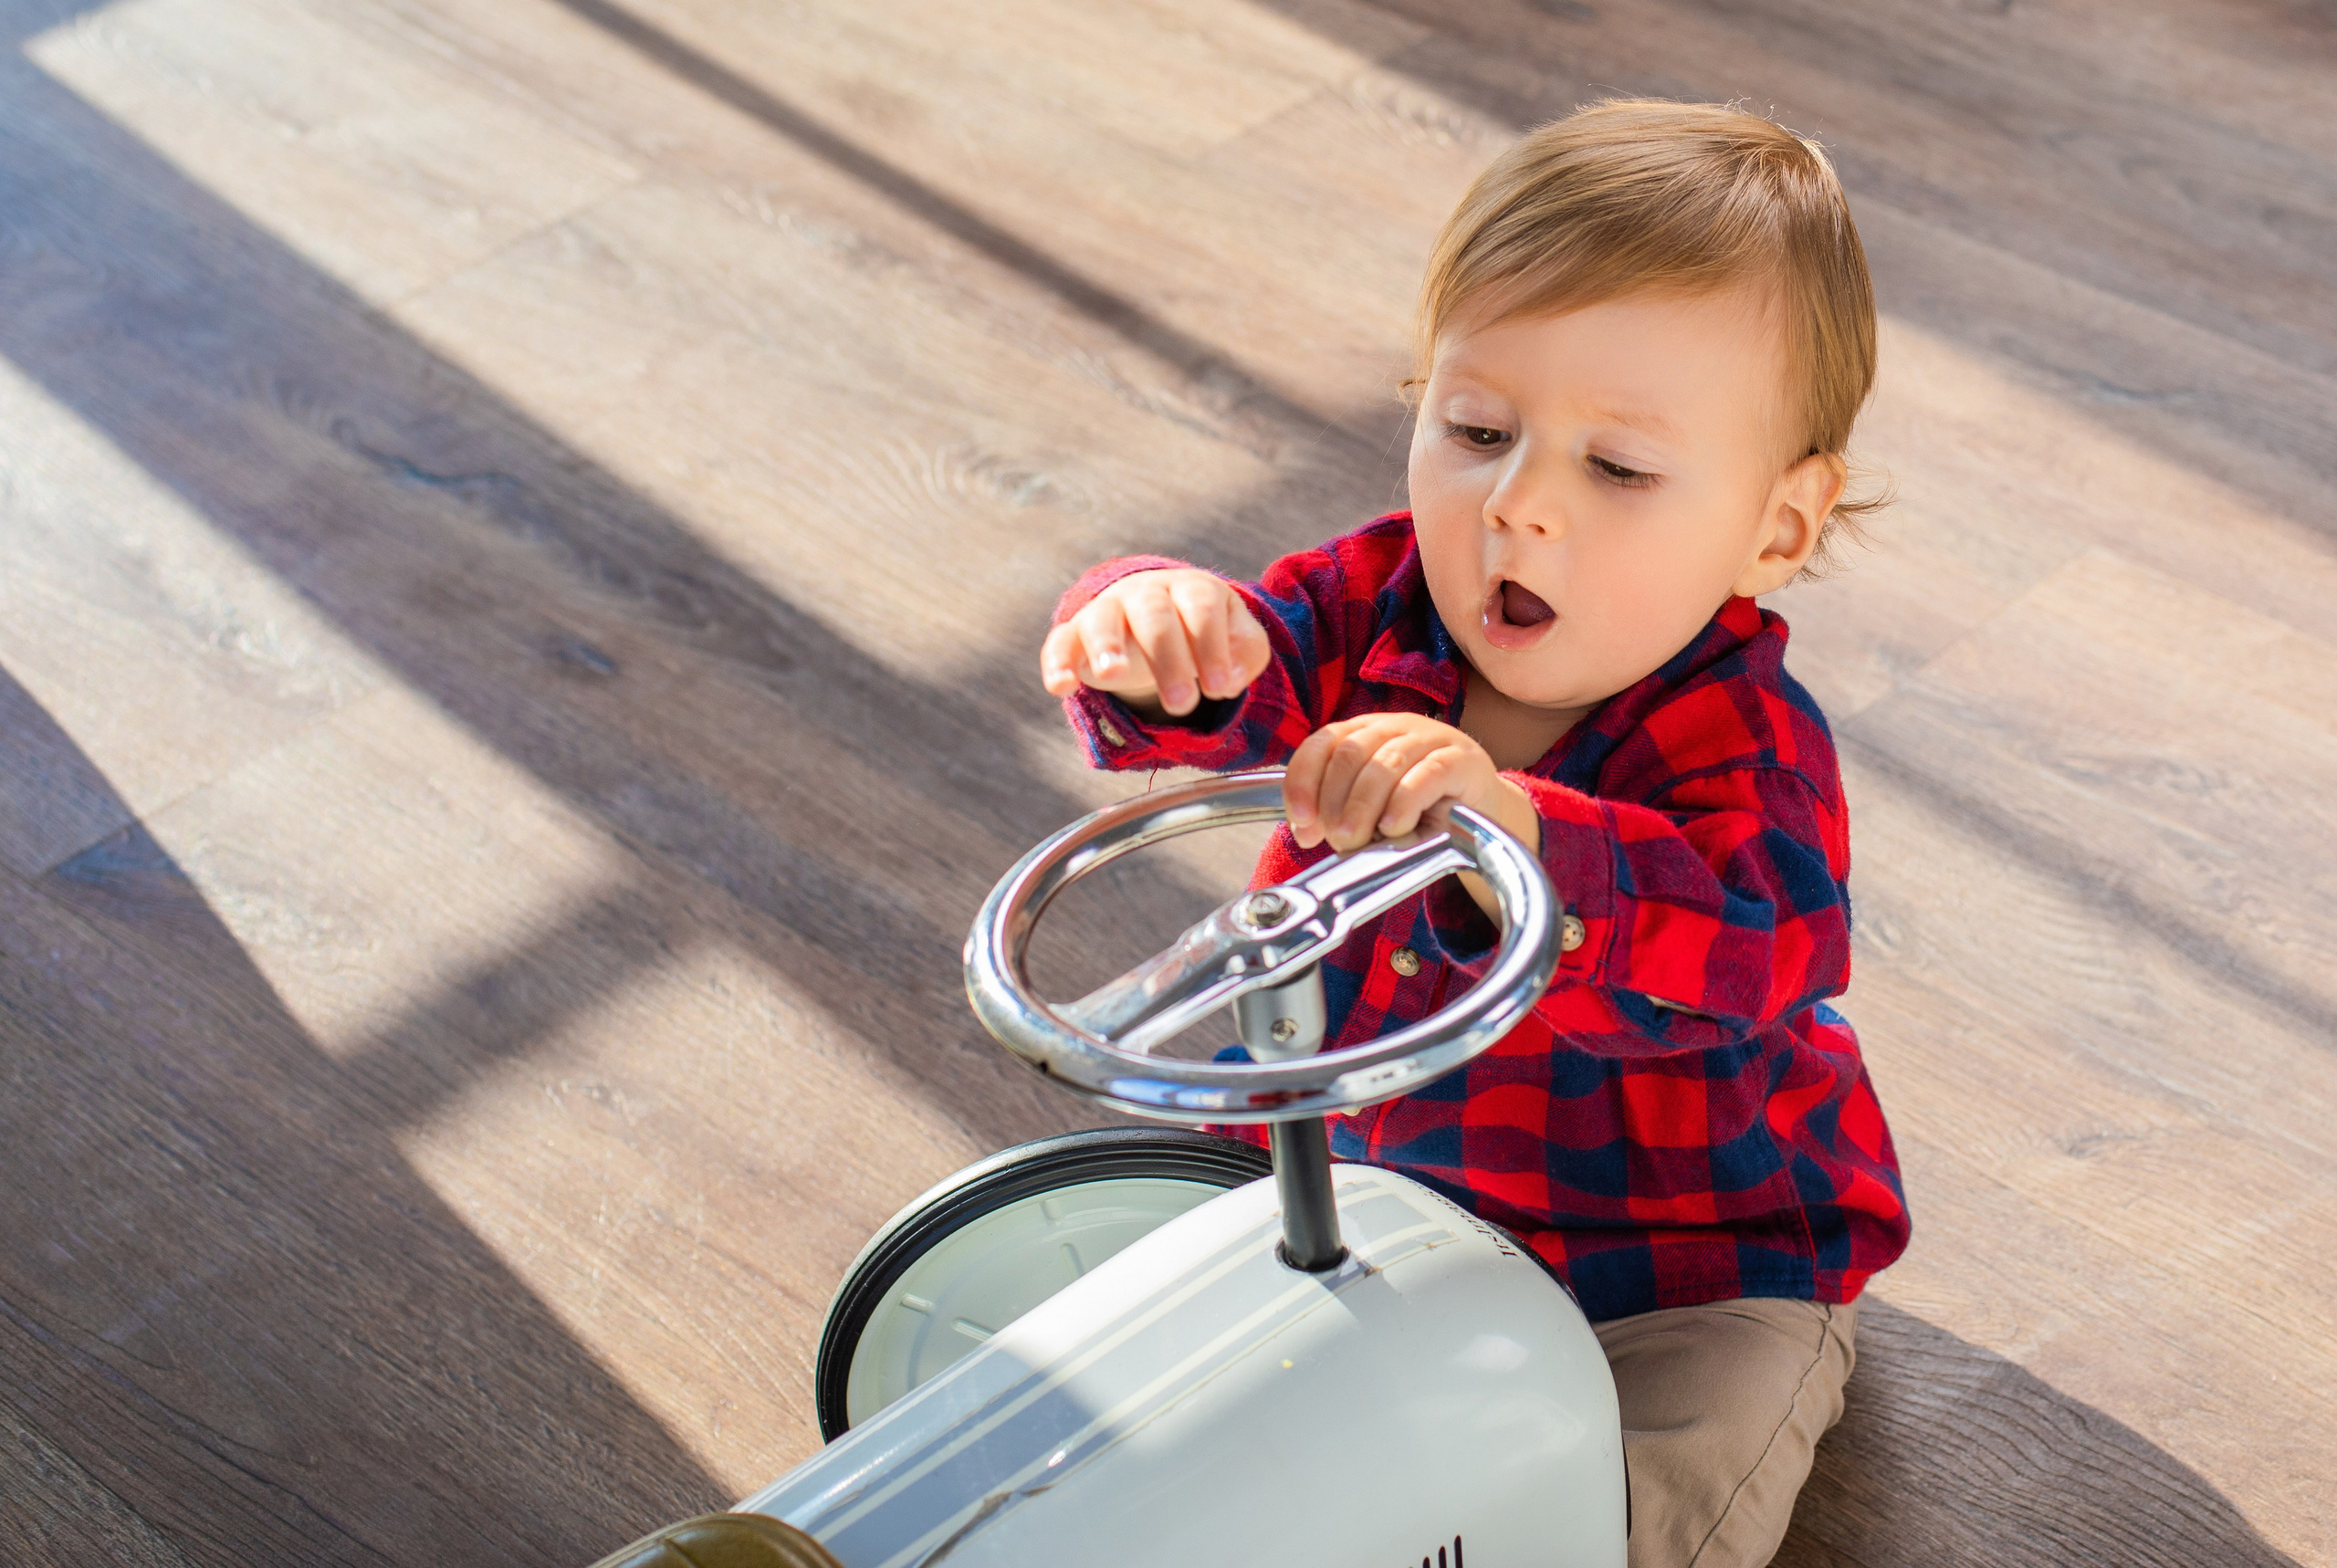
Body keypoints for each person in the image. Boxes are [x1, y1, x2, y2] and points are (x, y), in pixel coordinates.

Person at [1039, 99, 1911, 1568]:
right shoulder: (1377, 602)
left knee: (1648, 1500)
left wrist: (1519, 836)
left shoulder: (1744, 739)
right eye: (1478, 429)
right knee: (1163, 1417)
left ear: (1777, 524)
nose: (1519, 509)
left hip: (1674, 1264)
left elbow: (1759, 941)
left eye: (1618, 470)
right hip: (1363, 1193)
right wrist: (1146, 625)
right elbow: (1228, 674)